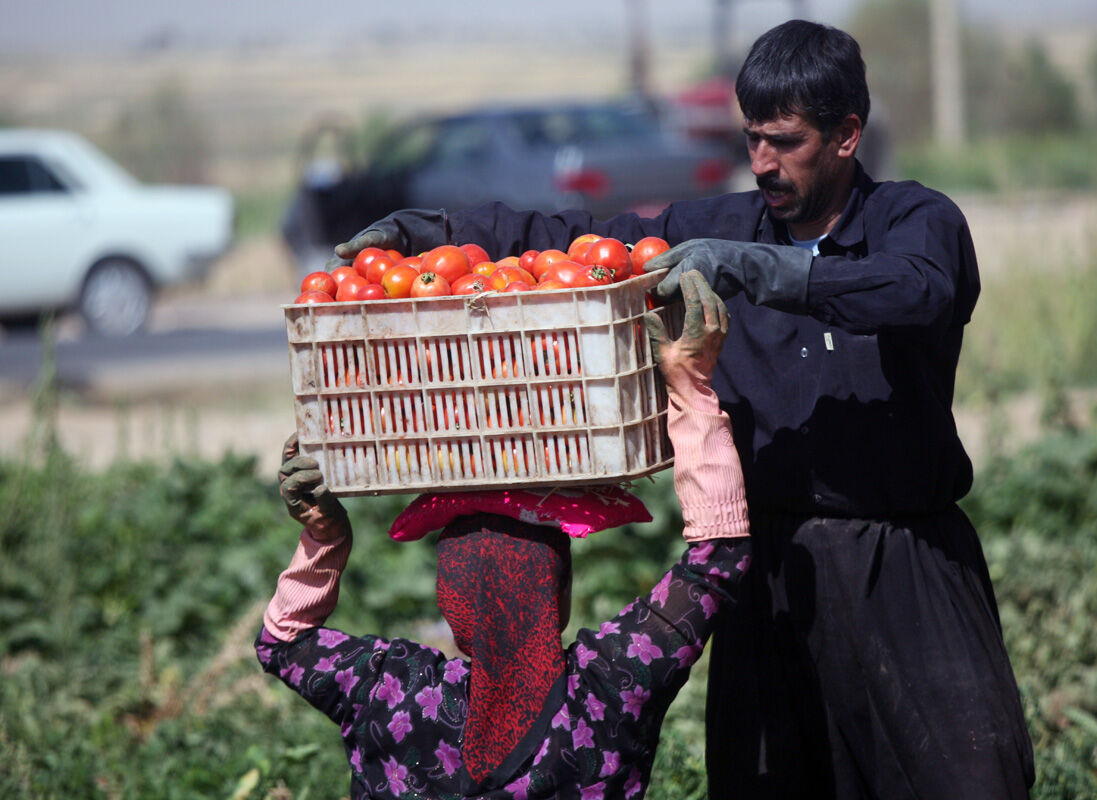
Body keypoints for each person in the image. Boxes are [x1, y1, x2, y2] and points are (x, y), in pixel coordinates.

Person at [327, 18, 1037, 799]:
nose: (762, 161)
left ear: (846, 135)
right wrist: (438, 234)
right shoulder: (716, 226)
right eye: (751, 139)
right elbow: (577, 238)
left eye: (785, 140)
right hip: (769, 569)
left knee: (970, 780)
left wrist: (769, 272)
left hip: (902, 563)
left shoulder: (916, 220)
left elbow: (918, 290)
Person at [256, 272, 753, 799]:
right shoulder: (611, 685)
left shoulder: (390, 691)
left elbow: (282, 642)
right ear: (558, 597)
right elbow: (718, 560)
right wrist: (688, 385)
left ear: (451, 608)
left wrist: (326, 538)